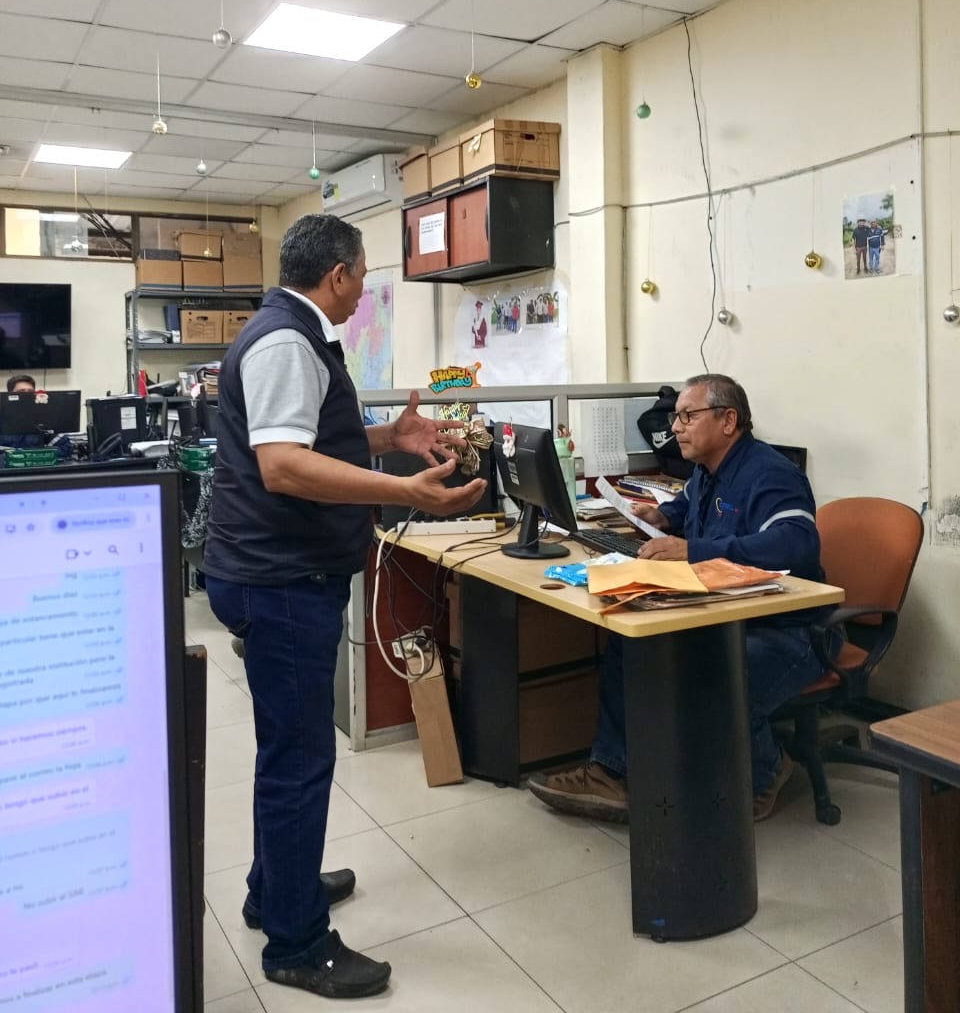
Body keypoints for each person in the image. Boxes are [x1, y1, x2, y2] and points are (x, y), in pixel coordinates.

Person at [203, 214, 487, 1001]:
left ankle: (275, 890)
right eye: (362, 276)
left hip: (276, 574)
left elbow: (310, 440)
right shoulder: (286, 342)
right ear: (336, 275)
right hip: (281, 580)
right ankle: (296, 944)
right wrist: (403, 489)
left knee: (286, 751)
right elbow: (284, 466)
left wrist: (388, 436)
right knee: (300, 761)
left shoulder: (294, 335)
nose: (364, 292)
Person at [528, 373, 836, 825]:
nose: (674, 427)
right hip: (724, 614)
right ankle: (613, 772)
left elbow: (795, 544)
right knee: (632, 641)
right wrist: (661, 517)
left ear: (728, 421)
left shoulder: (771, 474)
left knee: (712, 669)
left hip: (790, 630)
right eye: (677, 417)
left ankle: (767, 769)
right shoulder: (707, 471)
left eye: (688, 416)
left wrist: (694, 550)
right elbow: (687, 506)